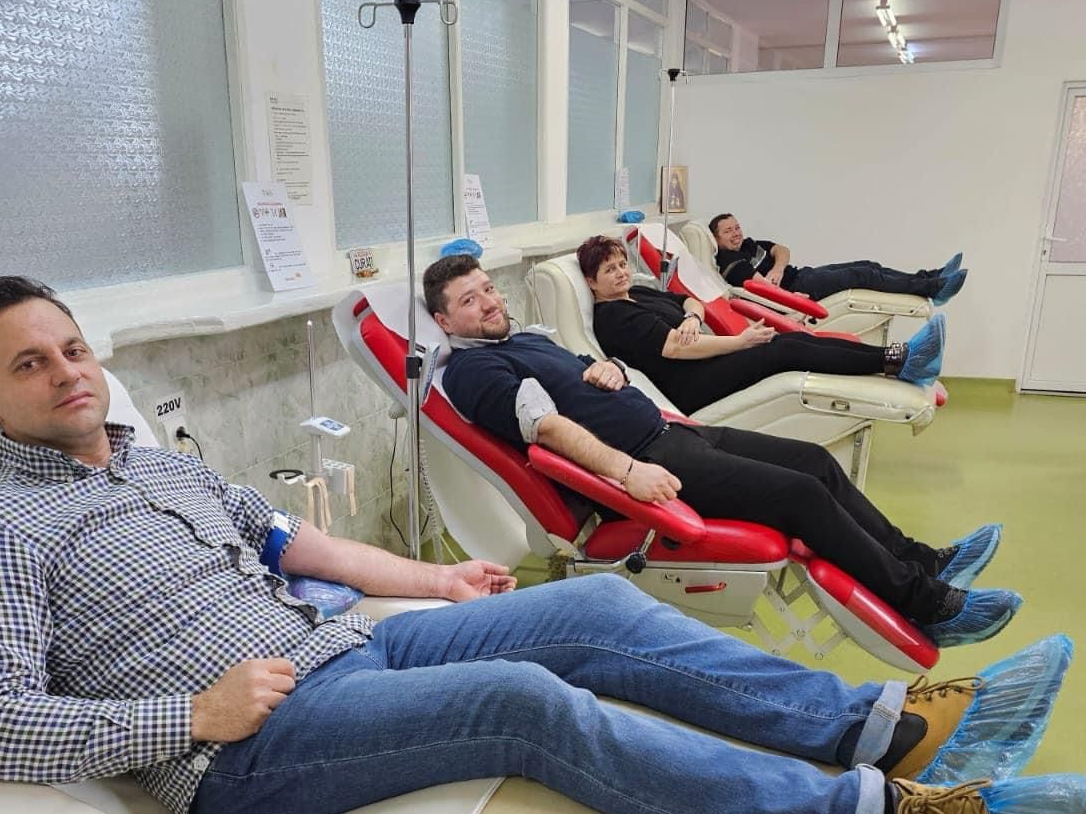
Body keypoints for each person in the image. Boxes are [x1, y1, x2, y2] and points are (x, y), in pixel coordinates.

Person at [0, 275, 1082, 814]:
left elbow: (300, 546)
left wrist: (441, 580)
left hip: (347, 650)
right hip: (248, 747)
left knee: (597, 609)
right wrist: (192, 714)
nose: (66, 373)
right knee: (527, 705)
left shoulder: (162, 466)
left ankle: (887, 726)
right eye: (30, 363)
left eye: (74, 349)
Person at [425, 253, 1014, 647]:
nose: (489, 302)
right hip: (650, 460)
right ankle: (928, 604)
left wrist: (607, 369)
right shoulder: (475, 371)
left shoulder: (522, 338)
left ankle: (922, 559)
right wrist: (629, 472)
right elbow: (548, 429)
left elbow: (583, 368)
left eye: (488, 289)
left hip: (673, 432)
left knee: (814, 461)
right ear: (443, 319)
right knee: (800, 495)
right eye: (470, 301)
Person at [580, 235, 947, 412]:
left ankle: (896, 358)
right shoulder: (614, 316)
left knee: (791, 343)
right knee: (784, 350)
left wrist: (693, 316)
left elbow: (690, 302)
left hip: (706, 363)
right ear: (592, 281)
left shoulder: (637, 293)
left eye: (622, 264)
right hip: (691, 386)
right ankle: (895, 360)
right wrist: (740, 342)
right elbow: (676, 348)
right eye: (609, 270)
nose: (621, 272)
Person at [709, 213, 968, 306]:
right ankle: (932, 289)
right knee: (864, 276)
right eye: (728, 231)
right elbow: (763, 288)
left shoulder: (748, 244)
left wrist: (778, 267)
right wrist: (792, 299)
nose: (736, 233)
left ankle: (932, 277)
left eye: (737, 227)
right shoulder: (731, 262)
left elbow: (782, 250)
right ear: (717, 239)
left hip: (802, 274)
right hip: (799, 288)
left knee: (869, 266)